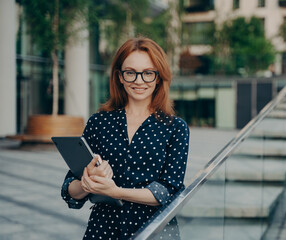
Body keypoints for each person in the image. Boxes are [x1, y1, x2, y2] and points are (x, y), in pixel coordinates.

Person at [61, 37, 190, 239]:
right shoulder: (98, 122)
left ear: (158, 77)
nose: (139, 81)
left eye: (147, 73)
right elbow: (70, 188)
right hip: (102, 231)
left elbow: (168, 191)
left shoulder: (175, 128)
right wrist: (86, 182)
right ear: (120, 77)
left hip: (155, 232)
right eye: (130, 73)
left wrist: (116, 191)